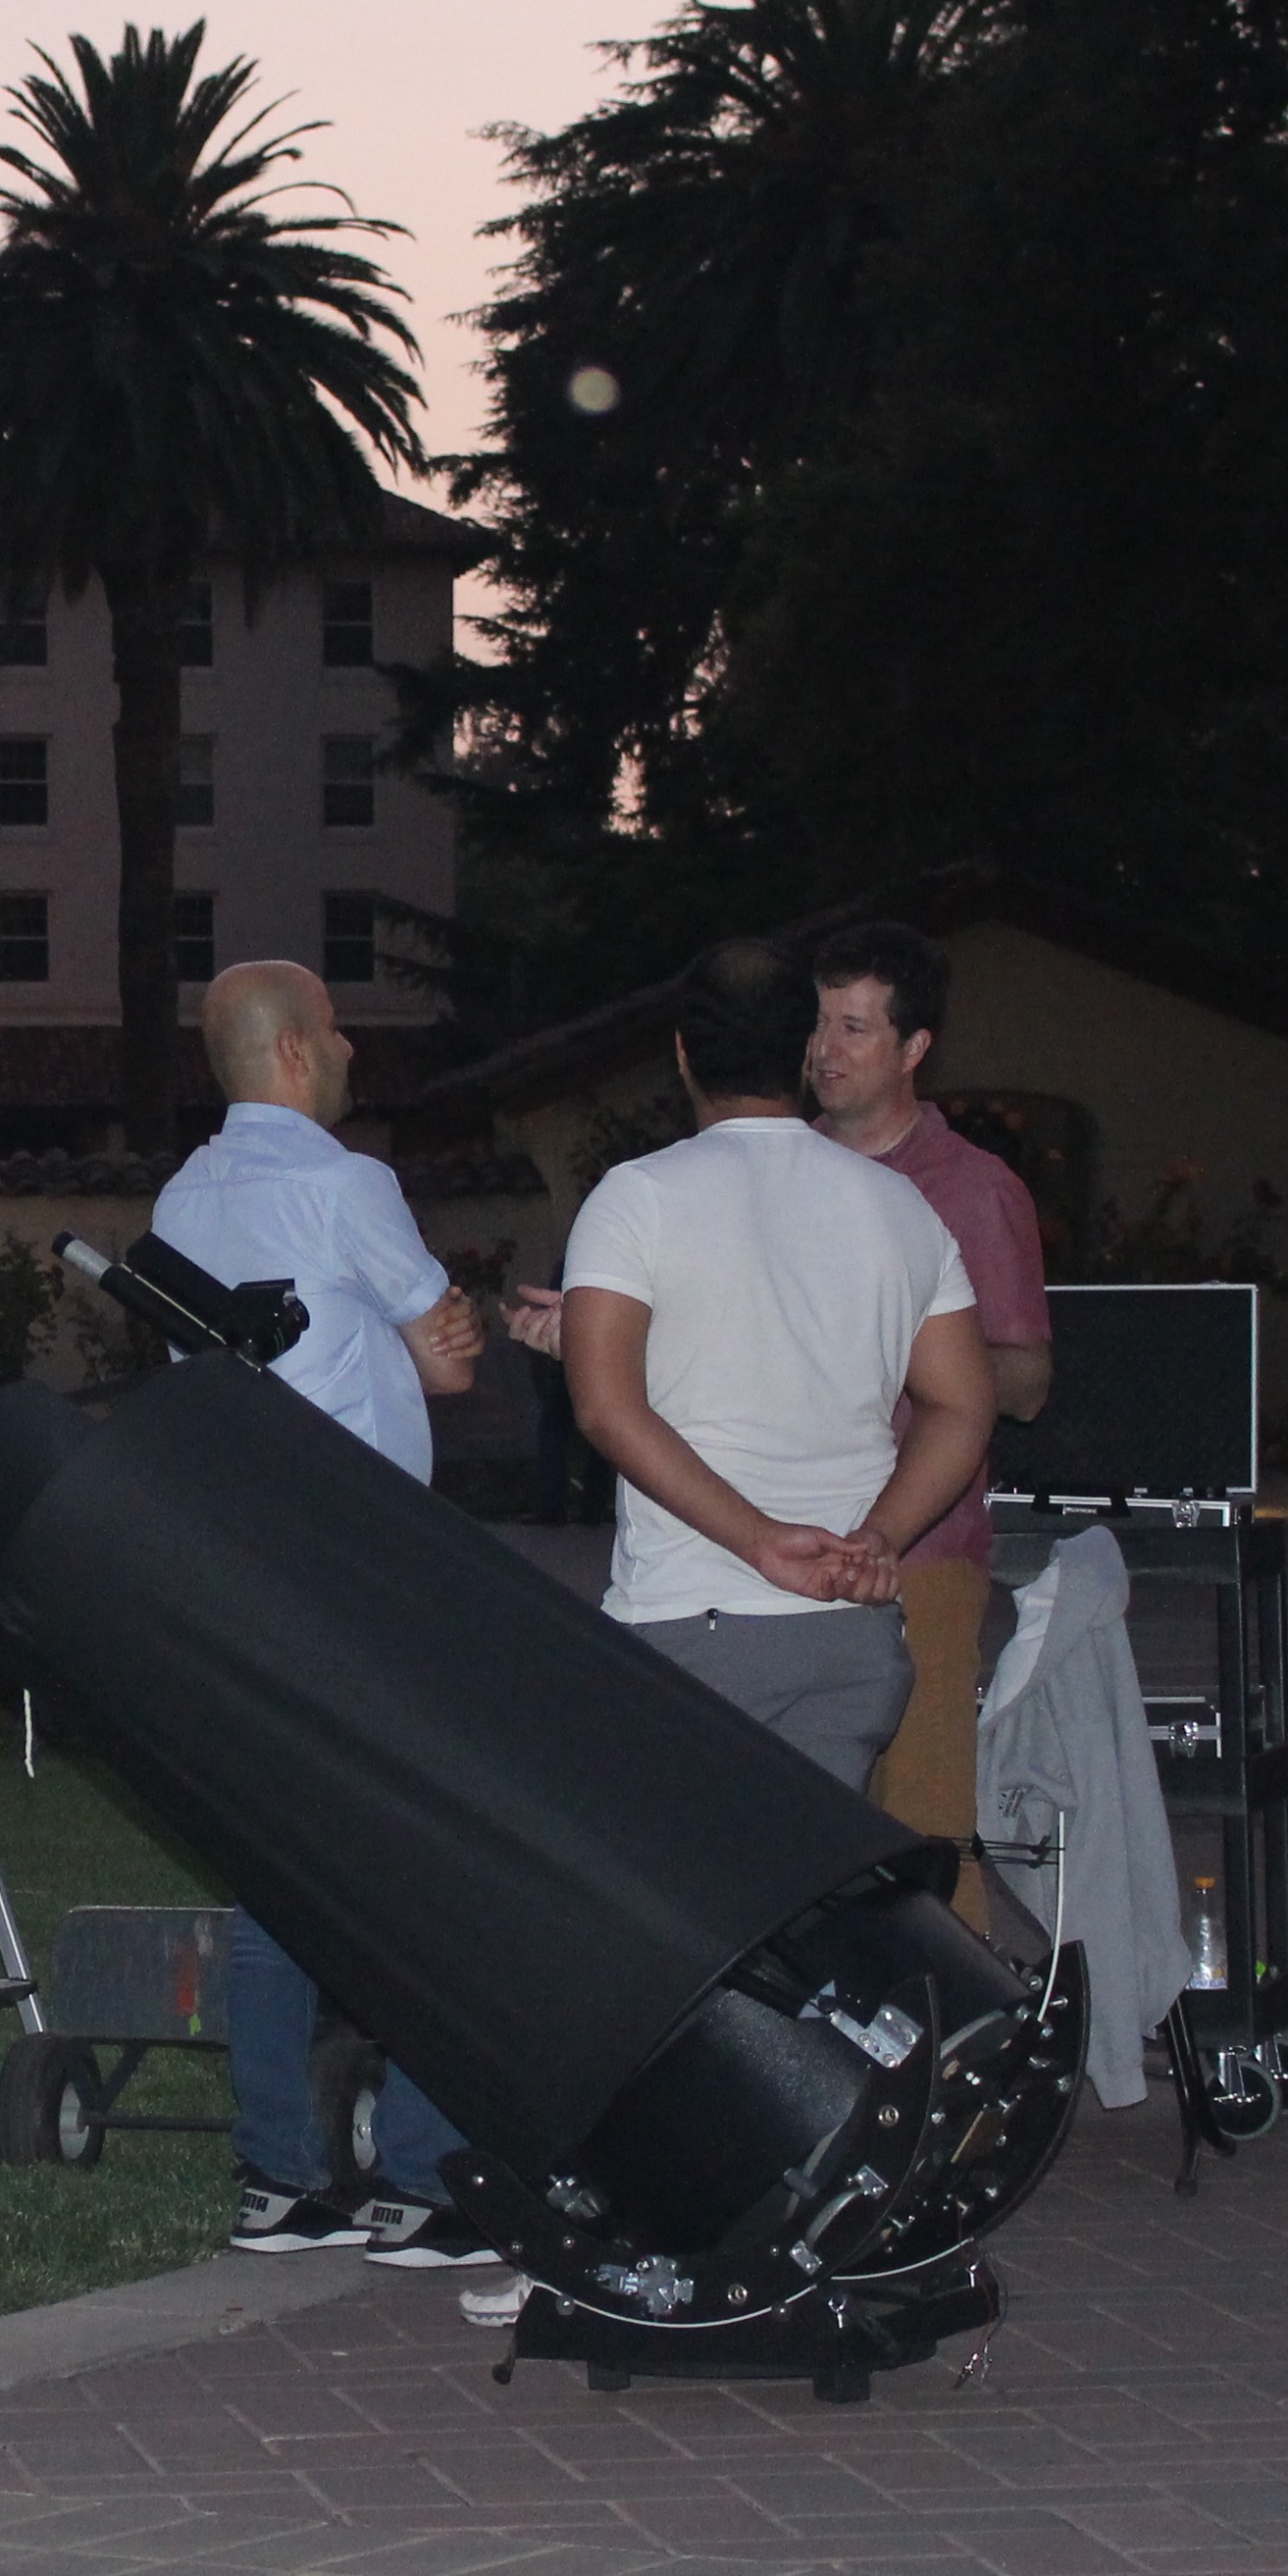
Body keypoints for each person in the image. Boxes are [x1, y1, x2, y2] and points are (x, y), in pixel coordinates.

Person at [148, 958, 500, 2272]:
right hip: (369, 1570)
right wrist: (430, 1329)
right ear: (296, 1051)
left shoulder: (185, 1194)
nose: (355, 1052)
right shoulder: (349, 1186)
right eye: (340, 1033)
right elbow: (449, 1359)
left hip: (248, 1566)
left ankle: (279, 2180)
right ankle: (423, 2178)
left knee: (278, 1875)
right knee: (428, 1866)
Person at [510, 939, 994, 1787]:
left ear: (683, 1053)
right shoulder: (898, 1204)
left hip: (693, 1622)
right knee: (813, 1899)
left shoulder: (638, 1197)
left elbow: (607, 1409)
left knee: (683, 1901)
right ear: (806, 1049)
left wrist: (762, 1541)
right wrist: (880, 1537)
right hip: (847, 1633)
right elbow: (962, 1404)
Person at [804, 925, 1054, 1919]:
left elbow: (1026, 1380)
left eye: (854, 1027)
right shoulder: (771, 1170)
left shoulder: (972, 1190)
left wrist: (893, 1350)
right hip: (776, 1542)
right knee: (799, 1831)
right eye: (816, 1023)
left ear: (914, 1049)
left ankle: (955, 2047)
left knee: (923, 1830)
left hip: (924, 1555)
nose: (825, 1048)